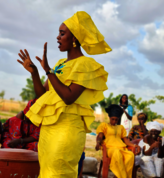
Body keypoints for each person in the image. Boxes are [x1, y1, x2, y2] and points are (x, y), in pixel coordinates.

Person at [17, 11, 110, 177]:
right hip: (48, 130)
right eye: (58, 33)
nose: (57, 38)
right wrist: (35, 73)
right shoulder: (60, 64)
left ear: (74, 38)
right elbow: (42, 95)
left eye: (62, 33)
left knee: (59, 173)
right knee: (46, 172)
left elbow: (68, 97)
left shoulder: (86, 64)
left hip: (67, 130)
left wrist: (48, 71)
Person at [96, 104, 140, 178]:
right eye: (112, 119)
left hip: (120, 148)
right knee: (117, 153)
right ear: (109, 117)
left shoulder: (121, 127)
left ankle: (117, 176)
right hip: (109, 149)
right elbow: (100, 136)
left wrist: (135, 145)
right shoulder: (104, 125)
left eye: (116, 119)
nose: (114, 121)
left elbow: (126, 141)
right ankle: (123, 176)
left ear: (118, 119)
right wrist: (98, 142)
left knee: (130, 155)